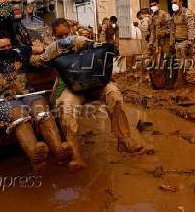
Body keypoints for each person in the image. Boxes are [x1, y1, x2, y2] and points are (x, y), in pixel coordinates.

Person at [30, 19, 143, 172]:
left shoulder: (80, 41)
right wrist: (29, 53)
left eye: (67, 34)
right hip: (72, 86)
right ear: (54, 35)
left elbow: (99, 50)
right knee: (66, 107)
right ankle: (75, 154)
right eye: (60, 36)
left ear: (71, 32)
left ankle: (124, 139)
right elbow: (40, 61)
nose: (65, 38)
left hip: (94, 82)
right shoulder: (52, 49)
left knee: (114, 94)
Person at [0, 30, 73, 172]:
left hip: (28, 94)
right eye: (3, 48)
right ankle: (35, 156)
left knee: (41, 109)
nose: (7, 49)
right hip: (5, 100)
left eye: (9, 46)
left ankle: (59, 152)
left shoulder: (18, 52)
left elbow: (36, 49)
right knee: (18, 114)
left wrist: (49, 51)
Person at [169, 0, 195, 84]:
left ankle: (191, 82)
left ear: (181, 2)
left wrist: (191, 41)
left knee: (188, 63)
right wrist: (172, 43)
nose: (173, 5)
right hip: (178, 44)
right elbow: (172, 30)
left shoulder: (187, 13)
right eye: (172, 3)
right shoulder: (174, 16)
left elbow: (191, 27)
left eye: (175, 2)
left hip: (186, 42)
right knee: (180, 64)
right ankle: (185, 81)